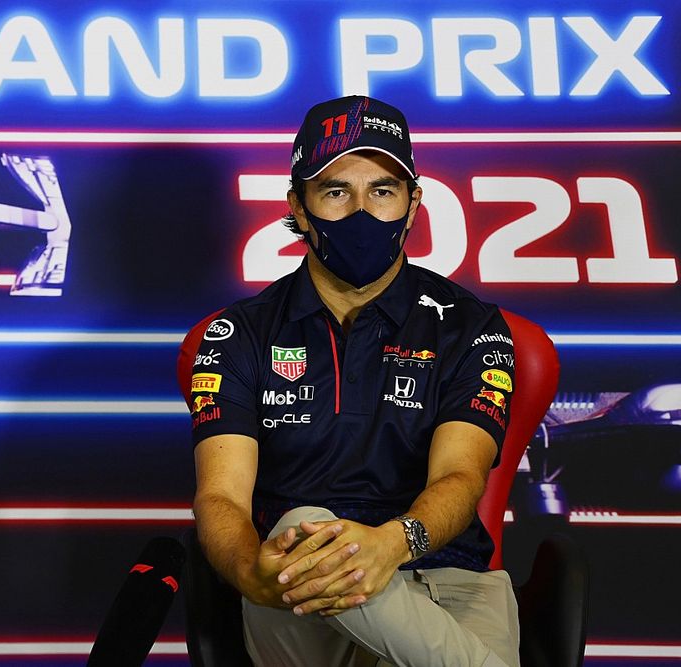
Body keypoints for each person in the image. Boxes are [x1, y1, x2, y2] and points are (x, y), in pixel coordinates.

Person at [190, 95, 519, 666]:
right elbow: (220, 497)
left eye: (383, 191)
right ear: (299, 203)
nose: (362, 212)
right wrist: (251, 572)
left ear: (413, 205)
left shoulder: (472, 326)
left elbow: (462, 477)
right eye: (336, 191)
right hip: (296, 590)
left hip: (446, 579)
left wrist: (390, 545)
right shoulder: (235, 334)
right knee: (303, 527)